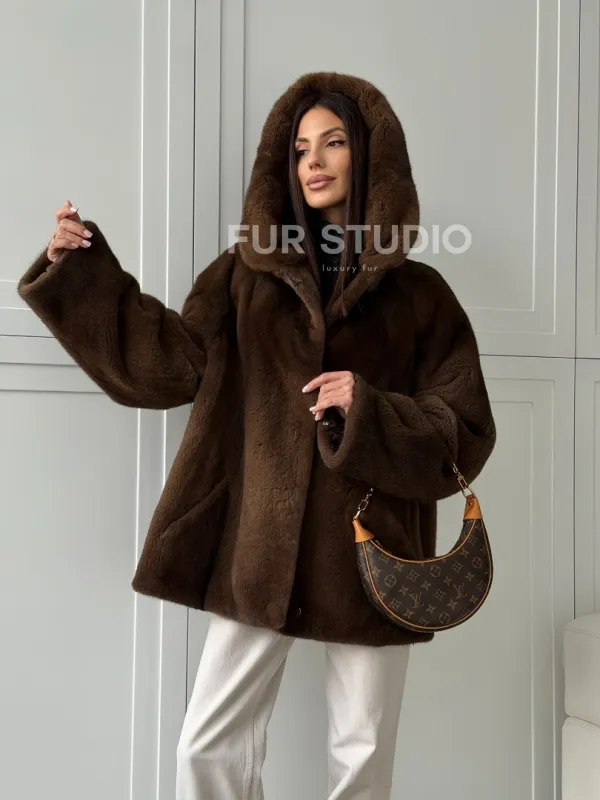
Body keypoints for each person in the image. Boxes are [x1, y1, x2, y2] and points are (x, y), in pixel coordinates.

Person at [18, 71, 496, 799]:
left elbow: (464, 428)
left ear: (370, 156)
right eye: (300, 147)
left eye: (333, 142)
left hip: (376, 554)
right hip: (259, 550)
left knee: (362, 757)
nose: (314, 160)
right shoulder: (244, 278)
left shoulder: (421, 296)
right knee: (207, 749)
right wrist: (76, 273)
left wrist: (368, 410)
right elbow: (168, 366)